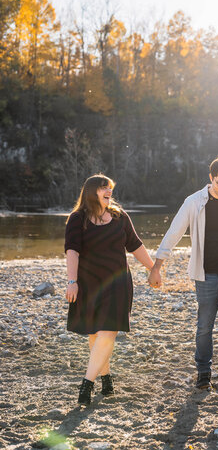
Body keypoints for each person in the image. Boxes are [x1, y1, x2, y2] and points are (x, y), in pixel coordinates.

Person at [148, 156, 218, 402]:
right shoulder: (194, 202)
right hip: (205, 276)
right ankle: (204, 374)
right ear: (211, 178)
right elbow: (174, 232)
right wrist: (157, 266)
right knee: (204, 327)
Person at [65, 173, 154, 406]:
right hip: (89, 284)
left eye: (110, 189)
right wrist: (71, 281)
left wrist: (153, 268)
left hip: (118, 284)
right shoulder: (77, 219)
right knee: (95, 333)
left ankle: (87, 384)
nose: (109, 192)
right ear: (91, 192)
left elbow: (135, 245)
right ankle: (106, 378)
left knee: (107, 332)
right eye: (104, 188)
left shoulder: (119, 216)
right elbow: (72, 251)